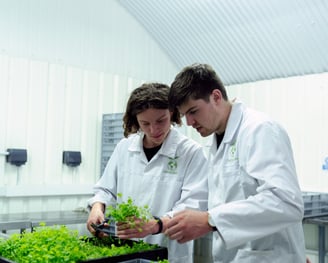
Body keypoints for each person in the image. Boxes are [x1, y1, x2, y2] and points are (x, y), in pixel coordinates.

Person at [165, 63, 306, 262]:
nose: (189, 122)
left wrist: (210, 220)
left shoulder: (259, 130)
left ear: (215, 97)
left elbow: (286, 201)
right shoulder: (216, 142)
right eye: (184, 115)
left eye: (193, 111)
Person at [86, 82, 208, 263]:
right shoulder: (125, 147)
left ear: (172, 113)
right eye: (145, 123)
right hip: (126, 249)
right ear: (136, 120)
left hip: (168, 250)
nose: (154, 129)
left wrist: (156, 225)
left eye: (161, 120)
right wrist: (98, 207)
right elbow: (106, 189)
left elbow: (192, 206)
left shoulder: (191, 152)